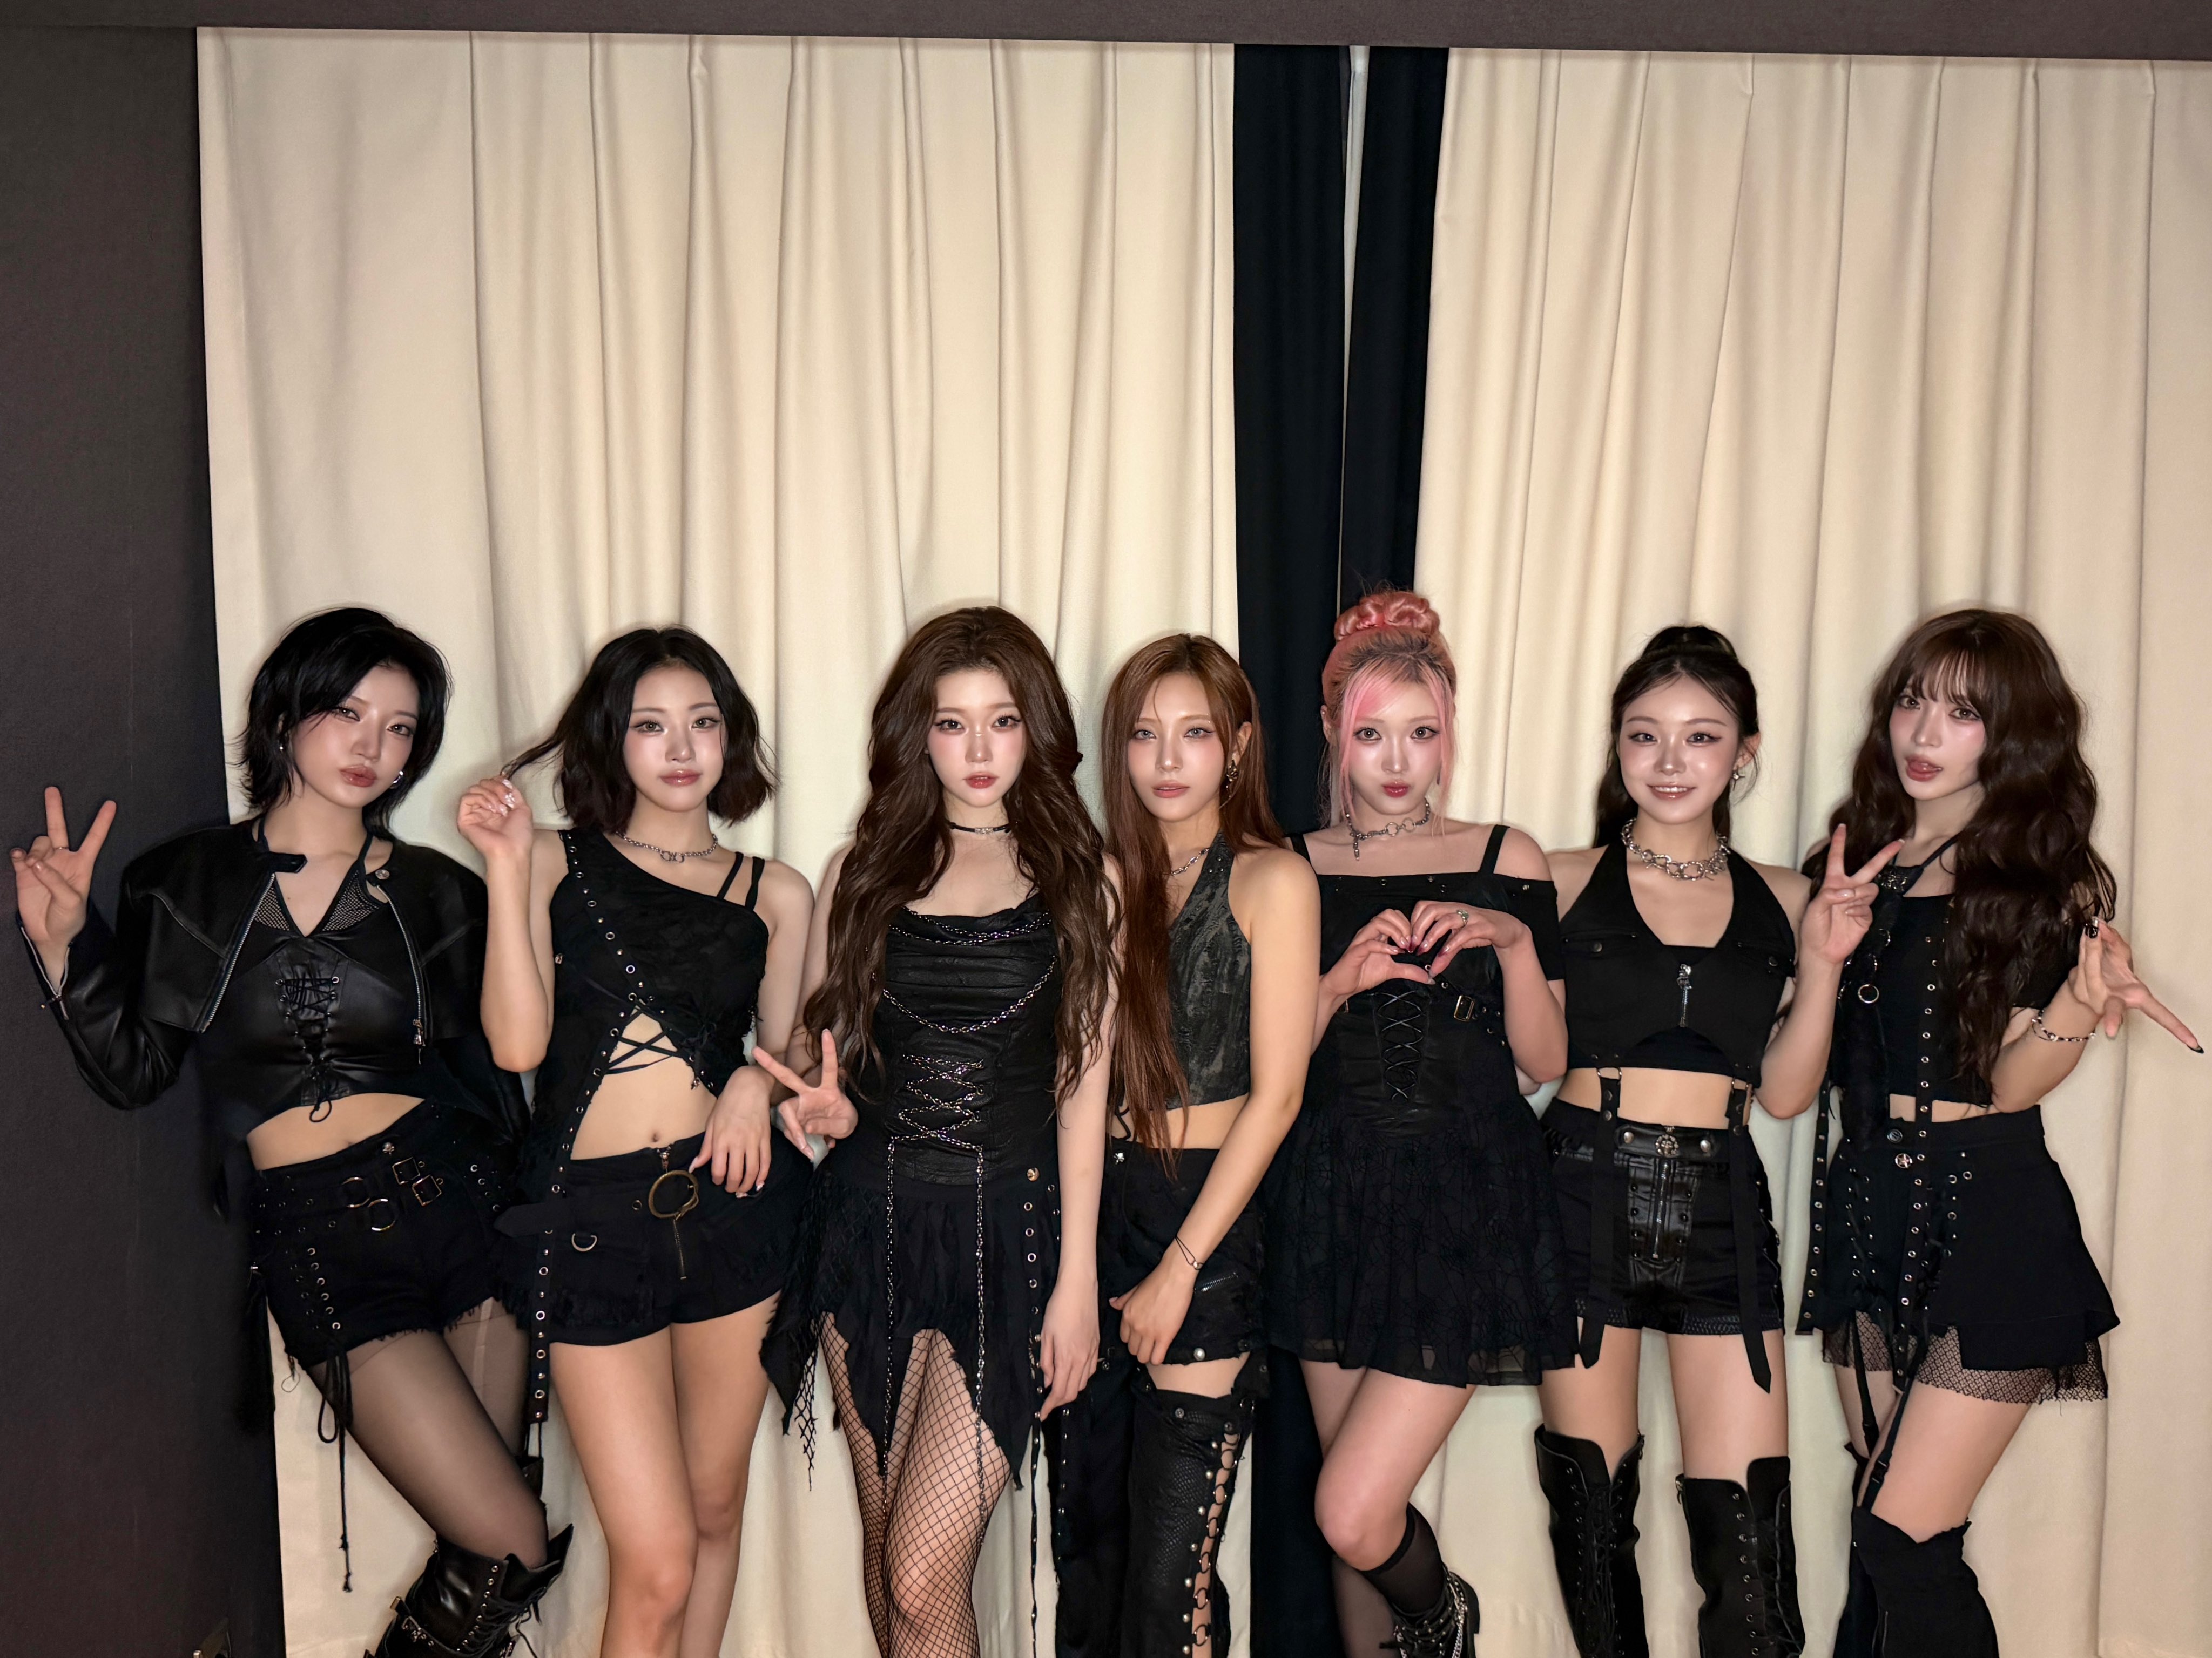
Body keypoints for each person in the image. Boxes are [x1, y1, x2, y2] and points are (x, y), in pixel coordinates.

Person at [11, 608, 563, 1658]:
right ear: (283, 717)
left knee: (492, 1554)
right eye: (347, 713)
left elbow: (509, 1052)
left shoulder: (438, 891)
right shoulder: (181, 883)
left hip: (467, 1215)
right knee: (507, 1540)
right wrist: (67, 948)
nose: (372, 746)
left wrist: (506, 876)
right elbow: (134, 1071)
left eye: (400, 729)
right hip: (322, 1240)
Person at [1798, 608, 2198, 1657]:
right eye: (1911, 701)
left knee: (1897, 1536)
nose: (1924, 732)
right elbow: (1805, 1071)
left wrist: (2076, 998)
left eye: (1962, 712)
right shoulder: (1851, 869)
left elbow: (2013, 1085)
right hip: (1867, 1206)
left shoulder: (2042, 881)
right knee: (1885, 1527)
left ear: (2012, 731)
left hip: (1992, 1212)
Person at [758, 606, 1115, 1658]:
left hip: (1006, 1237)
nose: (976, 749)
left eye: (1001, 721)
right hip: (865, 1224)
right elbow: (815, 1051)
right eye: (951, 723)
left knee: (921, 1578)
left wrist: (1079, 1281)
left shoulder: (1081, 881)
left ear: (1034, 728)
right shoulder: (858, 871)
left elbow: (1083, 1093)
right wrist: (816, 1105)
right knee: (887, 1569)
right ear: (917, 734)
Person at [1537, 627, 1896, 1658]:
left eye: (1701, 736)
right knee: (1593, 1517)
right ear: (1617, 744)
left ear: (1744, 752)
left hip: (1722, 1208)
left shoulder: (1791, 898)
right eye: (1644, 734)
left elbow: (1785, 1095)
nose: (1669, 760)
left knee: (1748, 1539)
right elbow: (1524, 1056)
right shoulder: (1558, 880)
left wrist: (1825, 963)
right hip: (1578, 1195)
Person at [458, 626, 812, 1658]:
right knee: (655, 1560)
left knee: (713, 1517)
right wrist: (504, 868)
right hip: (591, 1225)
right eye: (652, 725)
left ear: (731, 737)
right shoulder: (551, 860)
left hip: (735, 1210)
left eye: (703, 722)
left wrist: (751, 1079)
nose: (682, 747)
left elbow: (793, 1053)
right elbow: (518, 1044)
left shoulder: (775, 890)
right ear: (612, 739)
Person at [1267, 590, 1575, 1657]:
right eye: (1371, 735)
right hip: (1330, 1194)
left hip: (1465, 1200)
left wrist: (1512, 941)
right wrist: (1336, 986)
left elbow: (1546, 1062)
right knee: (1350, 1522)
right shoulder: (1289, 866)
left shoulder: (1507, 856)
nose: (1397, 762)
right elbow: (1263, 1071)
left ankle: (1447, 1616)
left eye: (1421, 733)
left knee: (1353, 1509)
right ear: (1332, 734)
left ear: (1450, 732)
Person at [1049, 634, 1320, 1658]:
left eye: (1195, 734)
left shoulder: (1273, 879)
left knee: (1172, 1582)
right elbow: (1078, 1082)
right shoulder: (1103, 880)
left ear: (1238, 746)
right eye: (1144, 735)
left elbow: (1278, 1097)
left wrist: (1181, 1265)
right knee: (1097, 1563)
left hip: (1205, 1218)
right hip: (1098, 1205)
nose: (1167, 760)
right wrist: (1077, 1271)